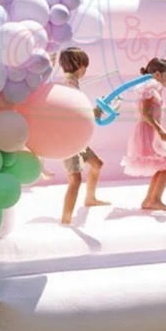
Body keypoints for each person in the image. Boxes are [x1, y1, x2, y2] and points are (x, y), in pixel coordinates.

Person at [121, 57, 166, 212]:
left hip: (151, 129)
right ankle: (154, 199)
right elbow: (145, 113)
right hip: (149, 130)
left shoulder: (151, 89)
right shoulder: (150, 88)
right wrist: (159, 129)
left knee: (164, 165)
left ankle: (150, 200)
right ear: (157, 74)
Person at [58, 47, 108, 224]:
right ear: (79, 65)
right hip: (69, 140)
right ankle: (65, 219)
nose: (86, 69)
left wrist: (92, 112)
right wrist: (92, 112)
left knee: (97, 164)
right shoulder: (70, 84)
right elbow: (73, 112)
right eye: (85, 65)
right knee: (75, 179)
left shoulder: (71, 84)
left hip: (77, 139)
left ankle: (90, 199)